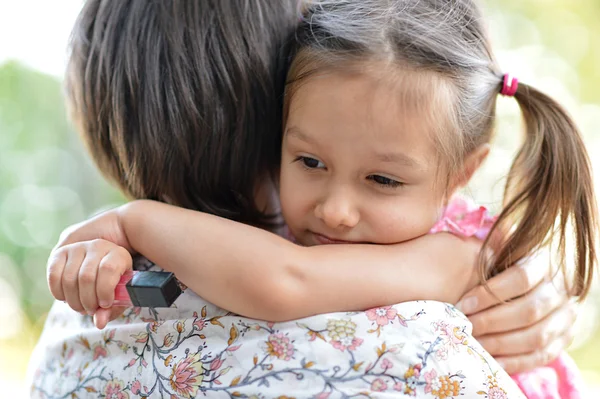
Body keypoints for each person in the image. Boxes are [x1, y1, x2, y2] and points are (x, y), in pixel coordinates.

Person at [31, 0, 586, 397]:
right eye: (311, 162)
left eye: (384, 181)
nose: (336, 211)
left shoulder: (457, 257)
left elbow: (287, 278)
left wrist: (135, 221)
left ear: (463, 175)